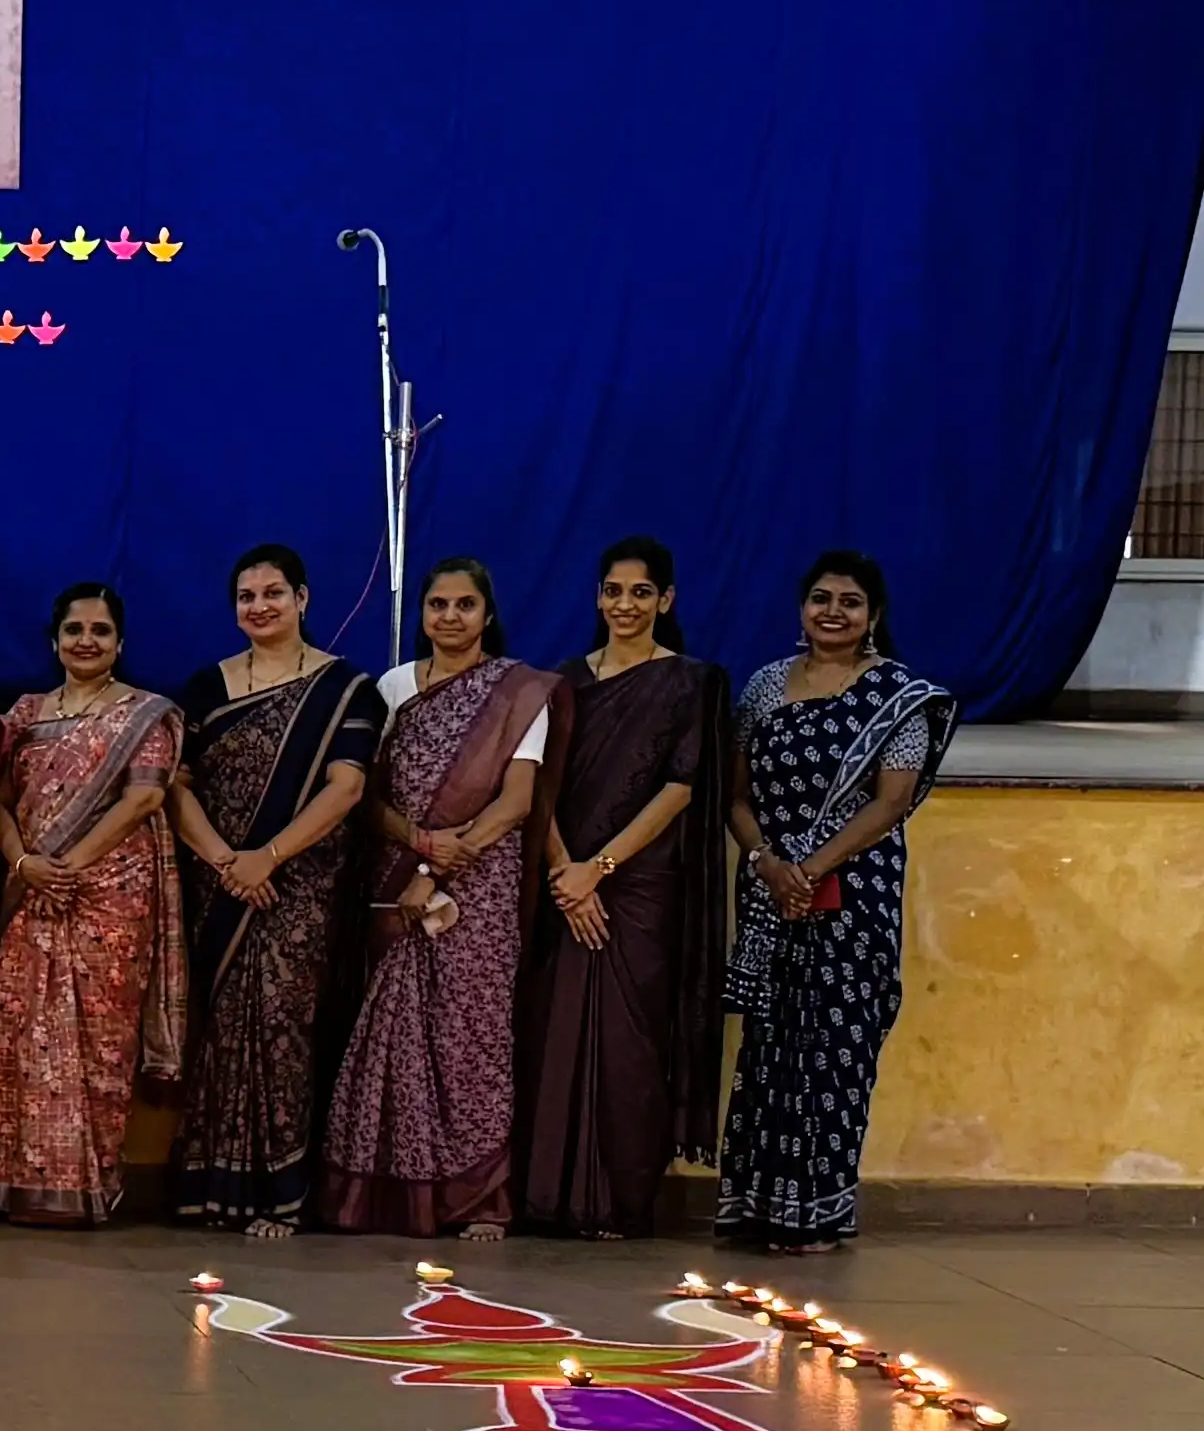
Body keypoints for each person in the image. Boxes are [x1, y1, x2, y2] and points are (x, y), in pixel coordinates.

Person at [715, 551, 957, 1254]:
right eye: (820, 598)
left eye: (850, 602)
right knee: (770, 1046)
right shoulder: (764, 686)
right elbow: (735, 796)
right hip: (771, 891)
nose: (832, 612)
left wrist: (811, 866)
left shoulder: (898, 694)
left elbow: (891, 801)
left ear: (873, 615)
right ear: (801, 607)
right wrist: (767, 863)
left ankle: (816, 1213)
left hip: (852, 895)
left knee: (835, 1049)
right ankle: (756, 1205)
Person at [315, 560, 558, 1235]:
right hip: (397, 877)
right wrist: (421, 843)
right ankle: (387, 1192)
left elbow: (517, 799)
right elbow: (372, 795)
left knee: (469, 1040)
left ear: (487, 613)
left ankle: (478, 1201)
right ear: (421, 613)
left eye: (465, 604)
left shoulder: (516, 693)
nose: (450, 617)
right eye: (438, 604)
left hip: (481, 886)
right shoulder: (393, 686)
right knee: (391, 1035)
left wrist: (452, 857)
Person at [517, 535, 735, 1239]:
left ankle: (617, 1202)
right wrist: (566, 874)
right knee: (555, 1031)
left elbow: (680, 787)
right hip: (564, 884)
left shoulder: (691, 682)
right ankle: (547, 1198)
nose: (625, 604)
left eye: (642, 592)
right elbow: (538, 788)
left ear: (666, 600)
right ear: (597, 597)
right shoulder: (564, 682)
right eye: (613, 590)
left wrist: (598, 871)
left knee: (631, 1042)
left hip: (639, 890)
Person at [162, 544, 381, 1230]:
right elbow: (176, 786)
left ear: (304, 599)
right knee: (219, 1027)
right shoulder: (206, 687)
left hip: (300, 887)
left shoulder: (347, 689)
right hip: (221, 882)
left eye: (273, 593)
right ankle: (207, 1184)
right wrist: (229, 859)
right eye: (246, 596)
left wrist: (271, 856)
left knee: (283, 1026)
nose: (259, 606)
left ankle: (279, 1195)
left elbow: (347, 788)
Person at [0, 584, 185, 1227]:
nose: (86, 641)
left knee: (100, 1041)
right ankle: (21, 1185)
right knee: (20, 1031)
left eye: (99, 631)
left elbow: (144, 799)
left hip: (110, 898)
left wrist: (69, 863)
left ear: (119, 642)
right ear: (55, 641)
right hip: (34, 890)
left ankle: (90, 1184)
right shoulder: (24, 716)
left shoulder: (145, 714)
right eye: (74, 630)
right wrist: (25, 864)